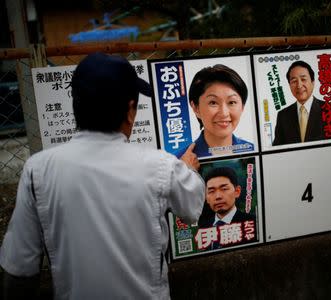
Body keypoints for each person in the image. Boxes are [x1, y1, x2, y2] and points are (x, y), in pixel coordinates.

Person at [0, 52, 205, 299]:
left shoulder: (38, 170)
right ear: (130, 111)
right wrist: (189, 169)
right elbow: (193, 207)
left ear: (76, 104)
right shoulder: (160, 166)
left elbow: (19, 269)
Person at [176, 64, 254, 158]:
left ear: (242, 107)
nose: (224, 113)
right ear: (196, 108)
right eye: (213, 102)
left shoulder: (253, 151)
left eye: (232, 102)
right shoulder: (178, 162)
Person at [272, 60, 331, 146]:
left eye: (303, 79)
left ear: (313, 82)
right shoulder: (282, 115)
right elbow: (277, 149)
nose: (299, 85)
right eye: (294, 81)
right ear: (289, 85)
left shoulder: (330, 109)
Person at [198, 167, 256, 231]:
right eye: (211, 191)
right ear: (206, 197)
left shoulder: (253, 223)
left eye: (224, 189)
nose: (218, 196)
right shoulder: (202, 229)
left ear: (237, 191)